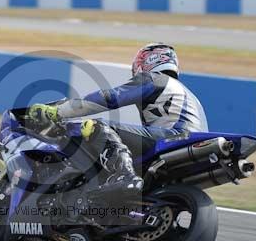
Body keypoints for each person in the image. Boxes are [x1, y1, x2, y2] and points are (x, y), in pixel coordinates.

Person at [28, 43, 208, 195]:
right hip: (194, 146)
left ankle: (124, 175)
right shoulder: (191, 95)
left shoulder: (154, 79)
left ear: (147, 61)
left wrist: (58, 112)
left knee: (97, 126)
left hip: (172, 138)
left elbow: (110, 98)